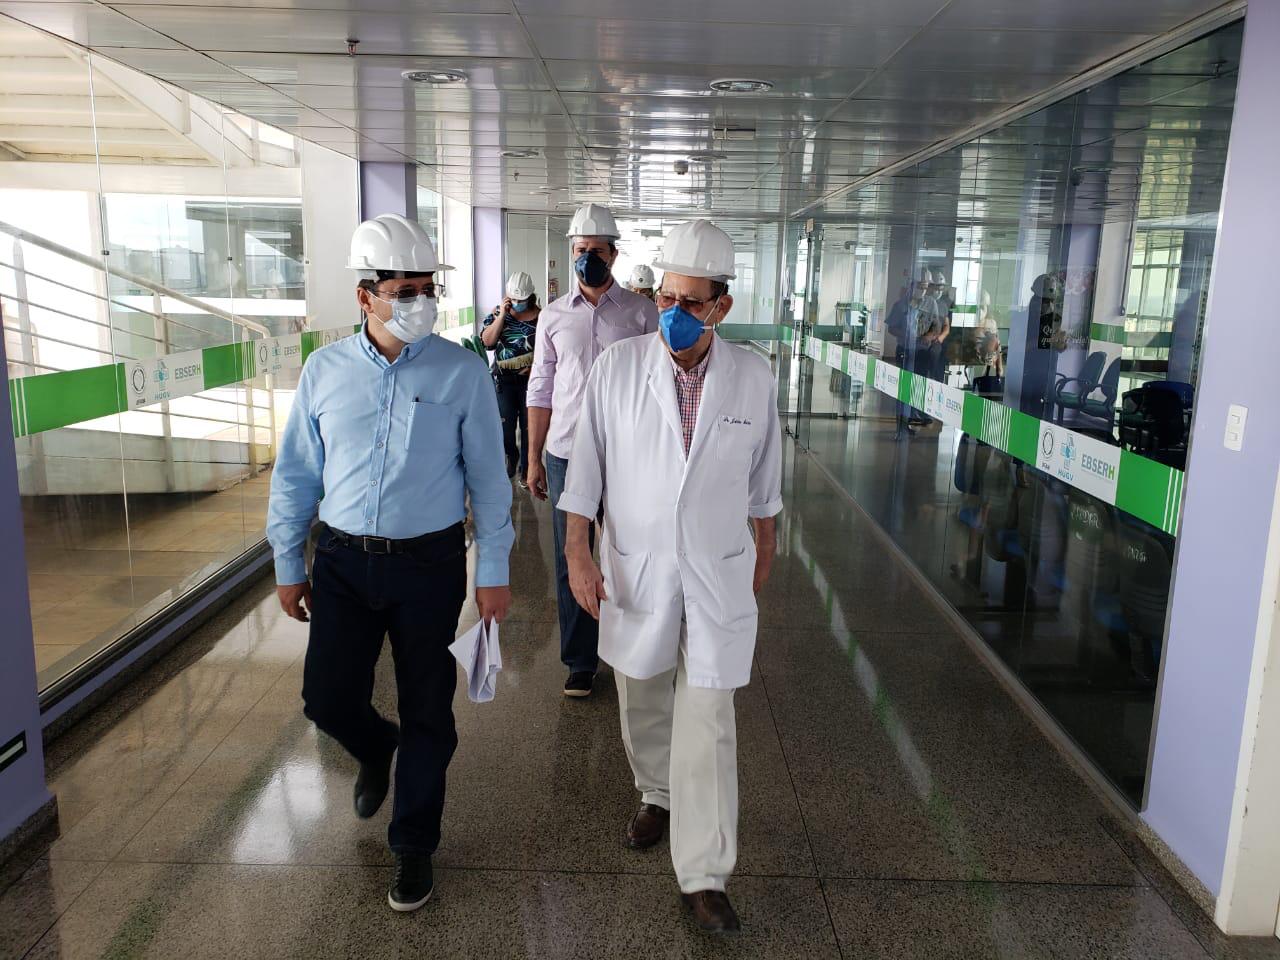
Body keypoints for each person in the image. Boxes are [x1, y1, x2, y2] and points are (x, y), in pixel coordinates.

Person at [266, 213, 514, 914]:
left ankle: (413, 843)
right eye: (404, 291)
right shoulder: (325, 371)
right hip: (342, 560)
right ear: (365, 296)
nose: (420, 302)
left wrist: (493, 570)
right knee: (326, 698)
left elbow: (489, 480)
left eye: (427, 288)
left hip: (429, 565)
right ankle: (376, 747)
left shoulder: (461, 372)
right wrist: (288, 560)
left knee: (428, 707)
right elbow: (296, 474)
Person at [559, 220, 782, 934]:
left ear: (722, 305)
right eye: (665, 297)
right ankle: (655, 791)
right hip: (639, 565)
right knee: (644, 696)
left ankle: (705, 874)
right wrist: (577, 551)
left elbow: (765, 479)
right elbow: (585, 472)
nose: (674, 312)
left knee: (710, 719)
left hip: (717, 569)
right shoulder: (617, 368)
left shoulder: (753, 375)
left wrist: (767, 540)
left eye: (691, 301)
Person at [525, 203, 659, 698]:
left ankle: (631, 647)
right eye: (581, 250)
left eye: (597, 251)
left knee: (630, 552)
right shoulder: (554, 316)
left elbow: (658, 387)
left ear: (614, 255)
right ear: (572, 252)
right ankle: (580, 660)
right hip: (565, 453)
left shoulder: (642, 313)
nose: (588, 258)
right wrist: (533, 457)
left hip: (626, 453)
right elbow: (540, 388)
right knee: (573, 555)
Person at [482, 270, 540, 486]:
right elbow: (487, 342)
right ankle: (511, 456)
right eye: (514, 299)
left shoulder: (542, 317)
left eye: (521, 300)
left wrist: (536, 369)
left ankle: (526, 469)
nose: (517, 303)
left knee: (528, 427)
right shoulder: (498, 314)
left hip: (531, 382)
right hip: (503, 381)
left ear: (530, 296)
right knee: (504, 427)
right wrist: (501, 317)